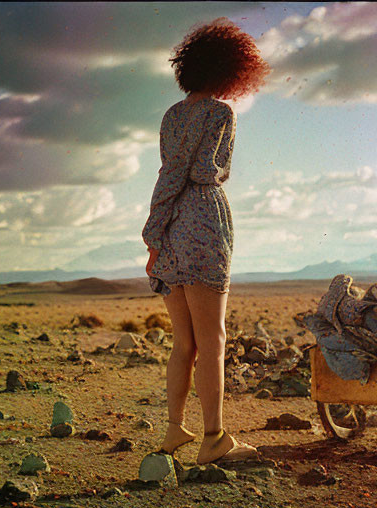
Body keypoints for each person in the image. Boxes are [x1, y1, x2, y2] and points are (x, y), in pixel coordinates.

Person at [142, 17, 270, 465]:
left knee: (184, 343)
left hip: (171, 228)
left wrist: (153, 236)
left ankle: (175, 429)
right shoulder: (220, 113)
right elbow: (204, 172)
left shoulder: (171, 115)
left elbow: (169, 172)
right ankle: (213, 437)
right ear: (229, 70)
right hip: (202, 221)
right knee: (212, 339)